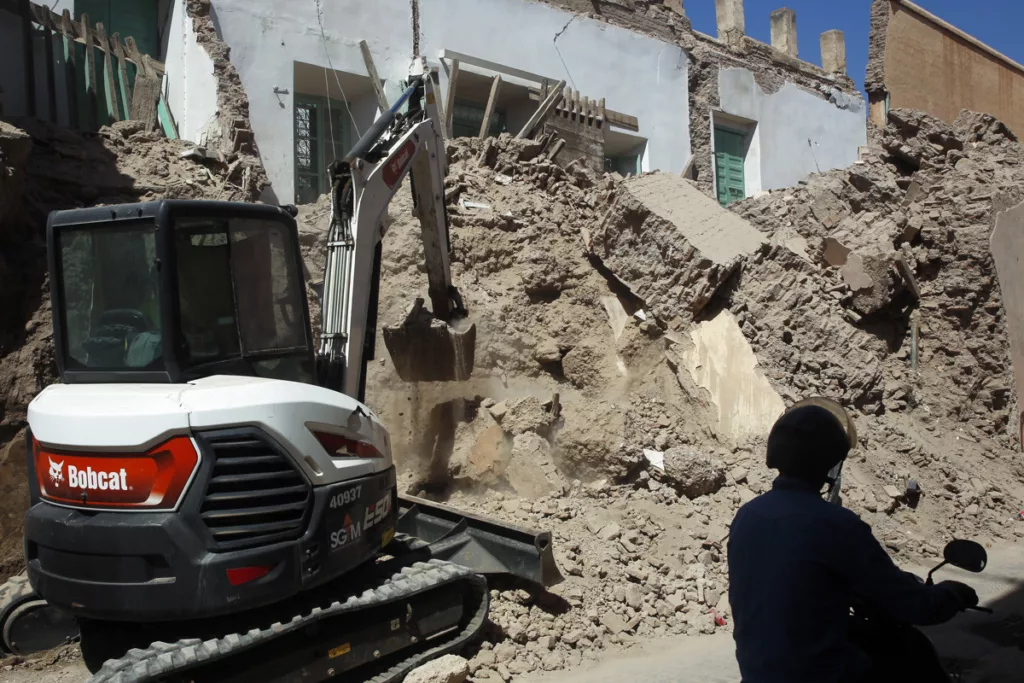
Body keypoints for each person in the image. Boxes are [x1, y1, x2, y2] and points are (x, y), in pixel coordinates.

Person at [728, 399, 978, 683]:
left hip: (758, 672)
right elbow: (913, 605)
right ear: (831, 462)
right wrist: (951, 593)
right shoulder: (835, 524)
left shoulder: (747, 516)